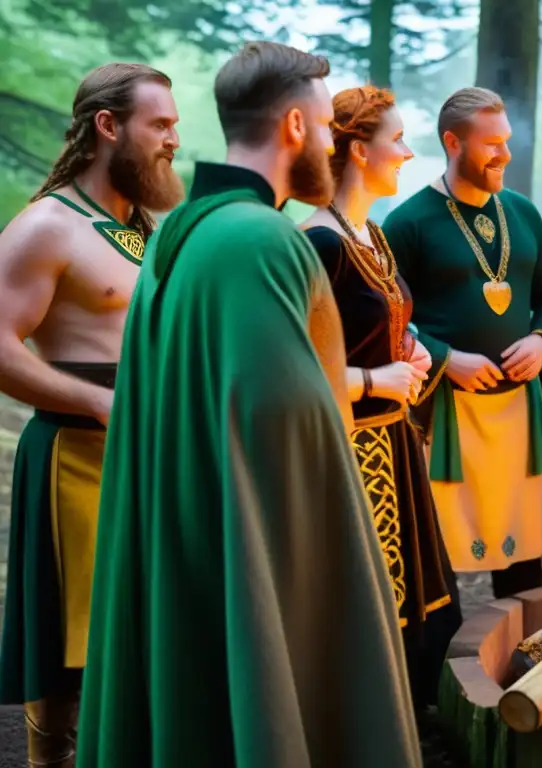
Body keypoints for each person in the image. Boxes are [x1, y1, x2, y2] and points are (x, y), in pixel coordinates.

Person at [74, 42, 421, 767]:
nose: (331, 145)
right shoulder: (263, 240)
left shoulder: (176, 230)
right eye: (327, 128)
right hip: (244, 560)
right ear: (295, 127)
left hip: (187, 545)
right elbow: (296, 443)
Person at [0, 62, 183, 766]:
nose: (173, 139)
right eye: (159, 124)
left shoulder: (146, 229)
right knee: (71, 635)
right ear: (108, 126)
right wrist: (97, 400)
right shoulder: (48, 225)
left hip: (152, 454)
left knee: (142, 628)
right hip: (75, 456)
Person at [299, 84, 463, 711]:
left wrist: (412, 345)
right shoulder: (319, 242)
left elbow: (380, 322)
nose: (407, 152)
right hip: (345, 450)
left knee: (417, 602)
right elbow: (287, 366)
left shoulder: (373, 236)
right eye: (396, 140)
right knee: (362, 598)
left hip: (396, 444)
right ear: (358, 150)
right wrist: (373, 381)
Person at [382, 86, 542, 599]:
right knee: (442, 560)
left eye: (506, 141)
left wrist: (539, 339)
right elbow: (389, 320)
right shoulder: (409, 223)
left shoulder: (524, 213)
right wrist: (445, 359)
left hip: (517, 413)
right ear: (453, 142)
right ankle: (448, 671)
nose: (504, 155)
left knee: (523, 564)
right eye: (491, 144)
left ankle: (527, 667)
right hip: (446, 415)